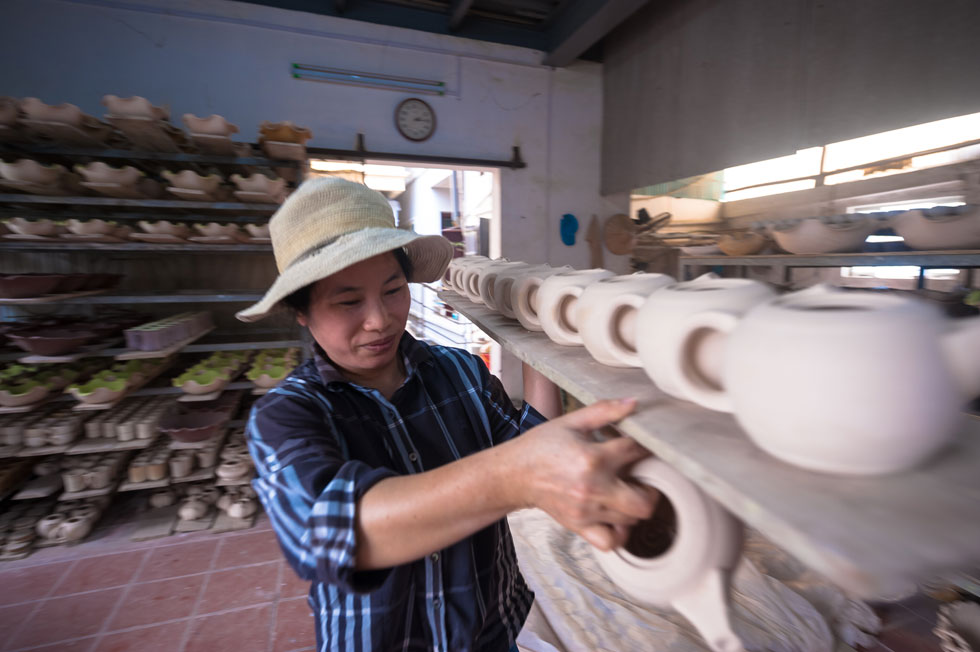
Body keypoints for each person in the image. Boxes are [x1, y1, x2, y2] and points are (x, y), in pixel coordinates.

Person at [237, 177, 658, 652]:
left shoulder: (458, 372)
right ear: (301, 312)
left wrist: (538, 343)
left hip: (490, 634)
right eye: (349, 301)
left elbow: (532, 441)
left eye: (394, 290)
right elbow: (338, 533)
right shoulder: (286, 416)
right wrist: (516, 477)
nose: (380, 319)